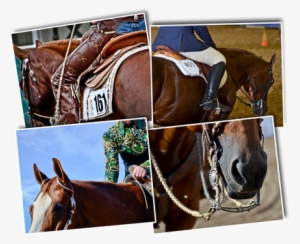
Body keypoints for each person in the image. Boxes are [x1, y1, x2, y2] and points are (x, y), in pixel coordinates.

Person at [50, 15, 146, 125]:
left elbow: (94, 20)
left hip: (114, 29)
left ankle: (73, 129)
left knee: (60, 79)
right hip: (145, 26)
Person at [152, 25, 231, 113]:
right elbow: (201, 29)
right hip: (182, 44)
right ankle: (210, 99)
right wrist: (212, 46)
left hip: (159, 43)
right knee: (219, 59)